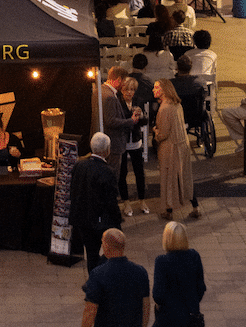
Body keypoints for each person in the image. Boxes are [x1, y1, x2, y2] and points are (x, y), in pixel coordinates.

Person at [70, 133, 123, 272]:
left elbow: (73, 190)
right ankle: (102, 280)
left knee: (91, 253)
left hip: (82, 219)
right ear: (107, 151)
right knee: (108, 253)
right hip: (100, 222)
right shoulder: (107, 171)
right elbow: (111, 201)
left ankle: (93, 281)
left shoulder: (79, 165)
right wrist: (117, 220)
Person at [80, 228, 150, 327]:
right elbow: (146, 307)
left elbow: (90, 310)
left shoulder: (98, 274)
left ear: (106, 247)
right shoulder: (140, 272)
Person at [153, 79, 198, 220]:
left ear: (164, 90)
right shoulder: (177, 105)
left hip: (170, 148)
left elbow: (164, 133)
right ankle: (195, 206)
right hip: (182, 145)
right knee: (185, 177)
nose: (154, 90)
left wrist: (155, 133)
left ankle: (169, 211)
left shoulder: (164, 108)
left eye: (156, 88)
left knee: (169, 179)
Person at [152, 222, 206, 327]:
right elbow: (200, 287)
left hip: (169, 317)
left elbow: (158, 295)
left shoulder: (162, 261)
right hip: (191, 316)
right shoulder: (194, 256)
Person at [92, 67, 143, 176]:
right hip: (113, 144)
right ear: (119, 79)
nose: (124, 85)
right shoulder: (110, 97)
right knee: (113, 175)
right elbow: (111, 121)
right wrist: (131, 121)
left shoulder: (99, 90)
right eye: (124, 82)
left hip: (104, 142)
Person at [118, 78, 149, 217]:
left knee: (139, 172)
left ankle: (142, 200)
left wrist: (141, 115)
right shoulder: (117, 101)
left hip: (136, 141)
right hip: (123, 142)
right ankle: (126, 202)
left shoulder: (139, 100)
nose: (129, 92)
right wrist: (131, 117)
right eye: (126, 89)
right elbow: (119, 120)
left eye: (132, 89)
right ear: (121, 90)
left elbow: (145, 121)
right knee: (122, 172)